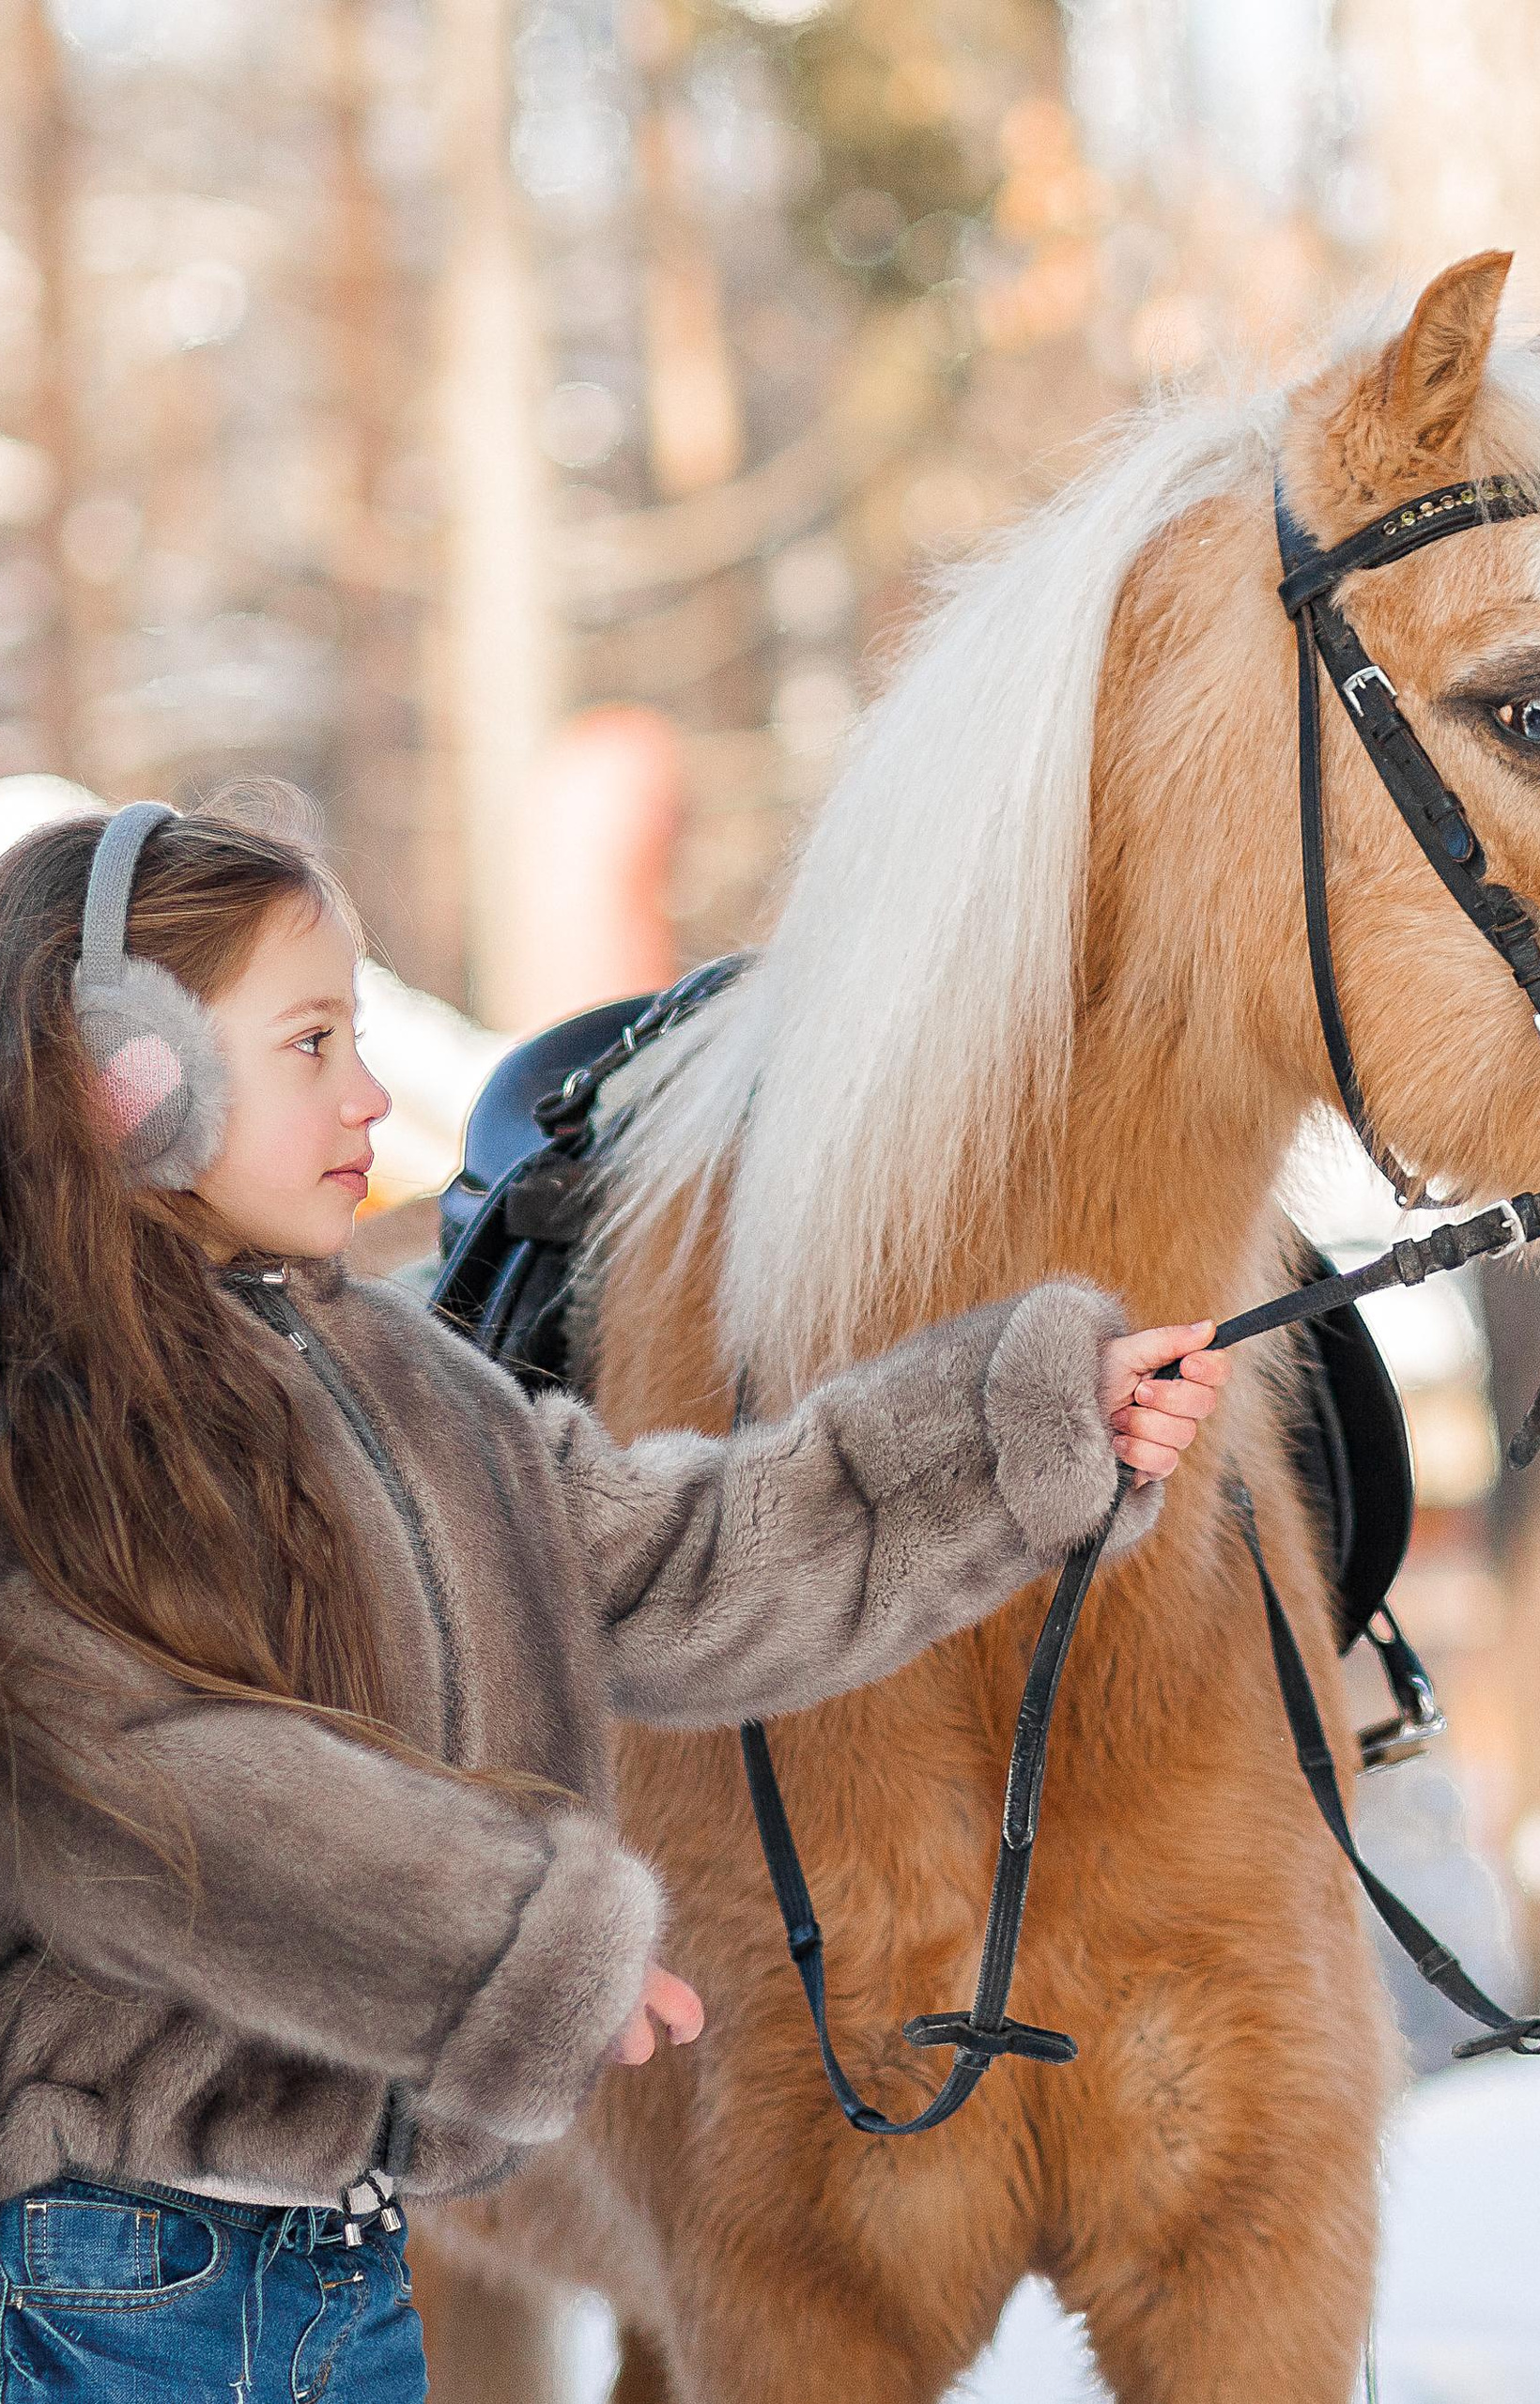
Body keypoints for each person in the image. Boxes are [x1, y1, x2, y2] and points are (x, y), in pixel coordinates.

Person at [0, 798, 1229, 2400]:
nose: (370, 1094)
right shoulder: (45, 1421)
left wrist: (1008, 1444)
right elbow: (137, 1783)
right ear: (124, 1071)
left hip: (336, 2256)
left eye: (358, 1037)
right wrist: (503, 1940)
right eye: (310, 1043)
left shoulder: (406, 1381)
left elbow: (682, 1564)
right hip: (120, 2266)